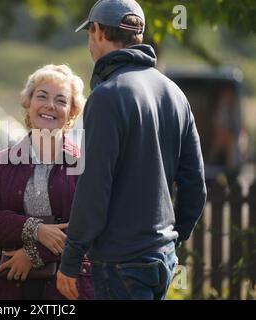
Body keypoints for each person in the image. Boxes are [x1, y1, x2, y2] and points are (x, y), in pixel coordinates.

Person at [57, 0, 207, 300]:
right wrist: (170, 240)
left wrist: (71, 260)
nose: (90, 43)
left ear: (98, 31)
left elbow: (94, 187)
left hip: (120, 262)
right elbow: (195, 187)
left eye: (90, 33)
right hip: (162, 258)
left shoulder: (106, 96)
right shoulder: (175, 93)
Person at [0, 65, 94, 300]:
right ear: (28, 102)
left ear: (72, 112)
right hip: (1, 288)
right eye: (42, 96)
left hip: (64, 290)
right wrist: (36, 230)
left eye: (61, 100)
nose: (50, 105)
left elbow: (88, 226)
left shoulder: (86, 167)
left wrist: (34, 255)